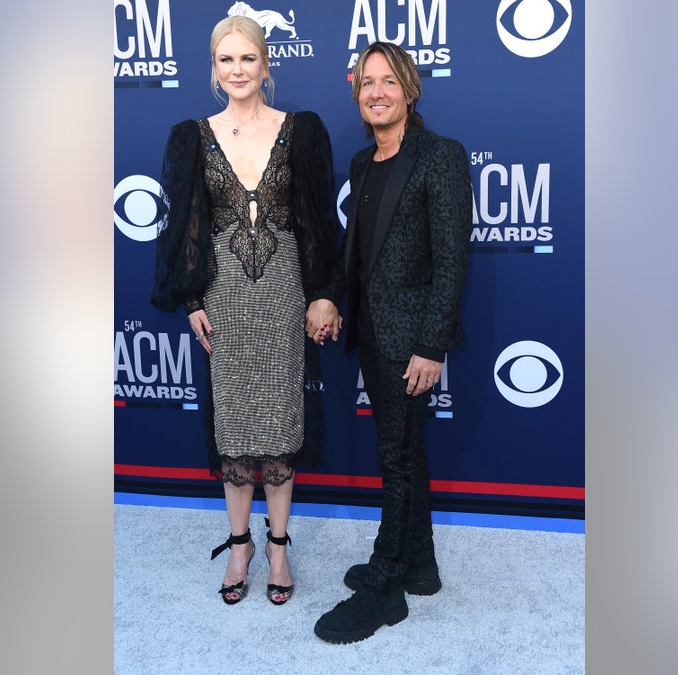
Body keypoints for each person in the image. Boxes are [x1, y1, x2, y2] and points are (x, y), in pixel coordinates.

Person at [150, 16, 337, 607]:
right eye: (225, 61)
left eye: (247, 59)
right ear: (213, 69)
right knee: (232, 427)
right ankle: (240, 544)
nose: (237, 71)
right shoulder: (192, 136)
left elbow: (317, 226)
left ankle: (278, 544)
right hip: (225, 295)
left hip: (283, 291)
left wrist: (322, 293)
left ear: (265, 65)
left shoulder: (301, 130)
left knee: (280, 423)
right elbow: (186, 229)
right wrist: (191, 301)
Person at [306, 41, 472, 643]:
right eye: (366, 83)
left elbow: (452, 262)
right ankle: (421, 567)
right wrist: (328, 294)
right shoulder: (362, 162)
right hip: (373, 334)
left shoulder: (440, 157)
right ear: (358, 93)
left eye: (388, 81)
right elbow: (356, 251)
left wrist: (432, 345)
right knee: (403, 451)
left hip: (412, 341)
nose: (375, 91)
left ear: (410, 89)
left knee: (396, 458)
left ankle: (386, 581)